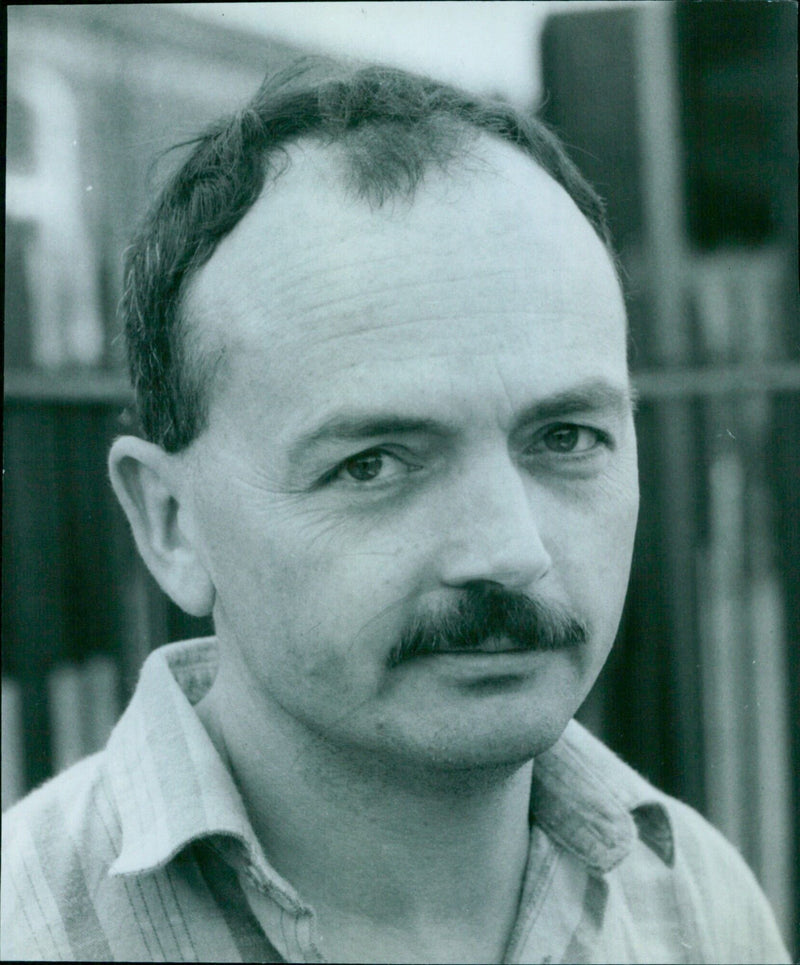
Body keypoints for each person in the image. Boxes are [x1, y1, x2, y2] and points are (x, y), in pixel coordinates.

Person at [1, 59, 791, 964]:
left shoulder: (698, 905)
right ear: (171, 524)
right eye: (372, 463)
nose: (510, 549)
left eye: (566, 438)